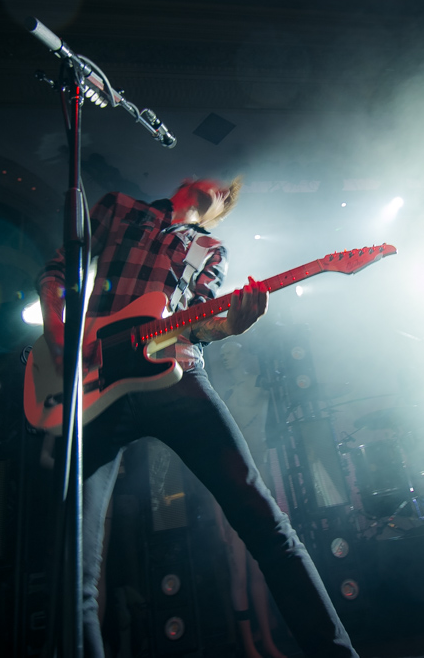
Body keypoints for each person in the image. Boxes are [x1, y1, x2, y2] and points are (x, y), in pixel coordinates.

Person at [36, 177, 357, 657]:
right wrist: (58, 331)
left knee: (263, 517)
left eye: (230, 194)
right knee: (75, 555)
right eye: (219, 183)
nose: (223, 189)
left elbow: (201, 319)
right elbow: (58, 270)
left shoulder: (211, 247)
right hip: (94, 381)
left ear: (220, 210)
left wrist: (231, 325)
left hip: (176, 371)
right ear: (191, 183)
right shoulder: (119, 207)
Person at [212, 341, 288, 658]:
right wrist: (218, 515)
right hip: (233, 493)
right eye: (223, 350)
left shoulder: (263, 392)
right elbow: (215, 463)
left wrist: (279, 496)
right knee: (240, 573)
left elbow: (269, 450)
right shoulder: (223, 400)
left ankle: (266, 642)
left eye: (232, 348)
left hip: (260, 487)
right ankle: (249, 646)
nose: (226, 355)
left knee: (258, 572)